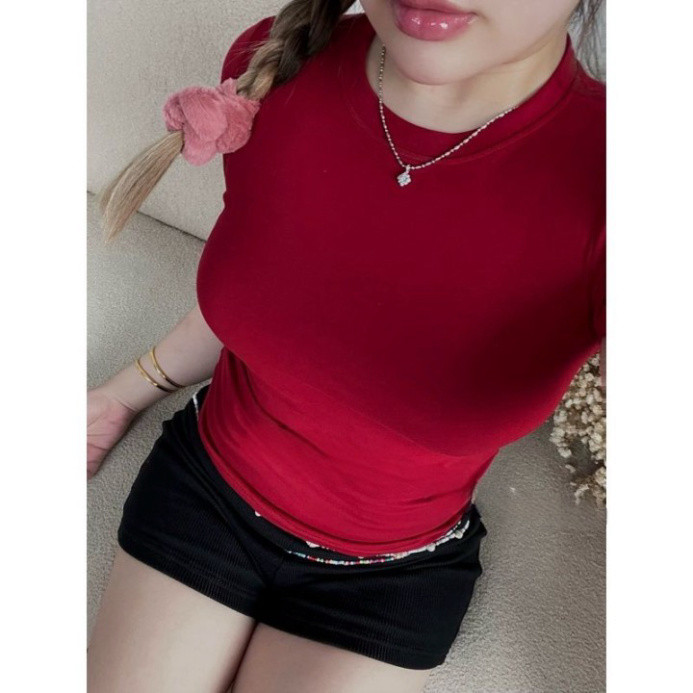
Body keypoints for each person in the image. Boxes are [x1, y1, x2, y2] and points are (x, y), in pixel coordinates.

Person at [87, 1, 606, 691]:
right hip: (206, 487)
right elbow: (283, 304)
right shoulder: (277, 66)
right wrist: (124, 392)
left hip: (390, 573)